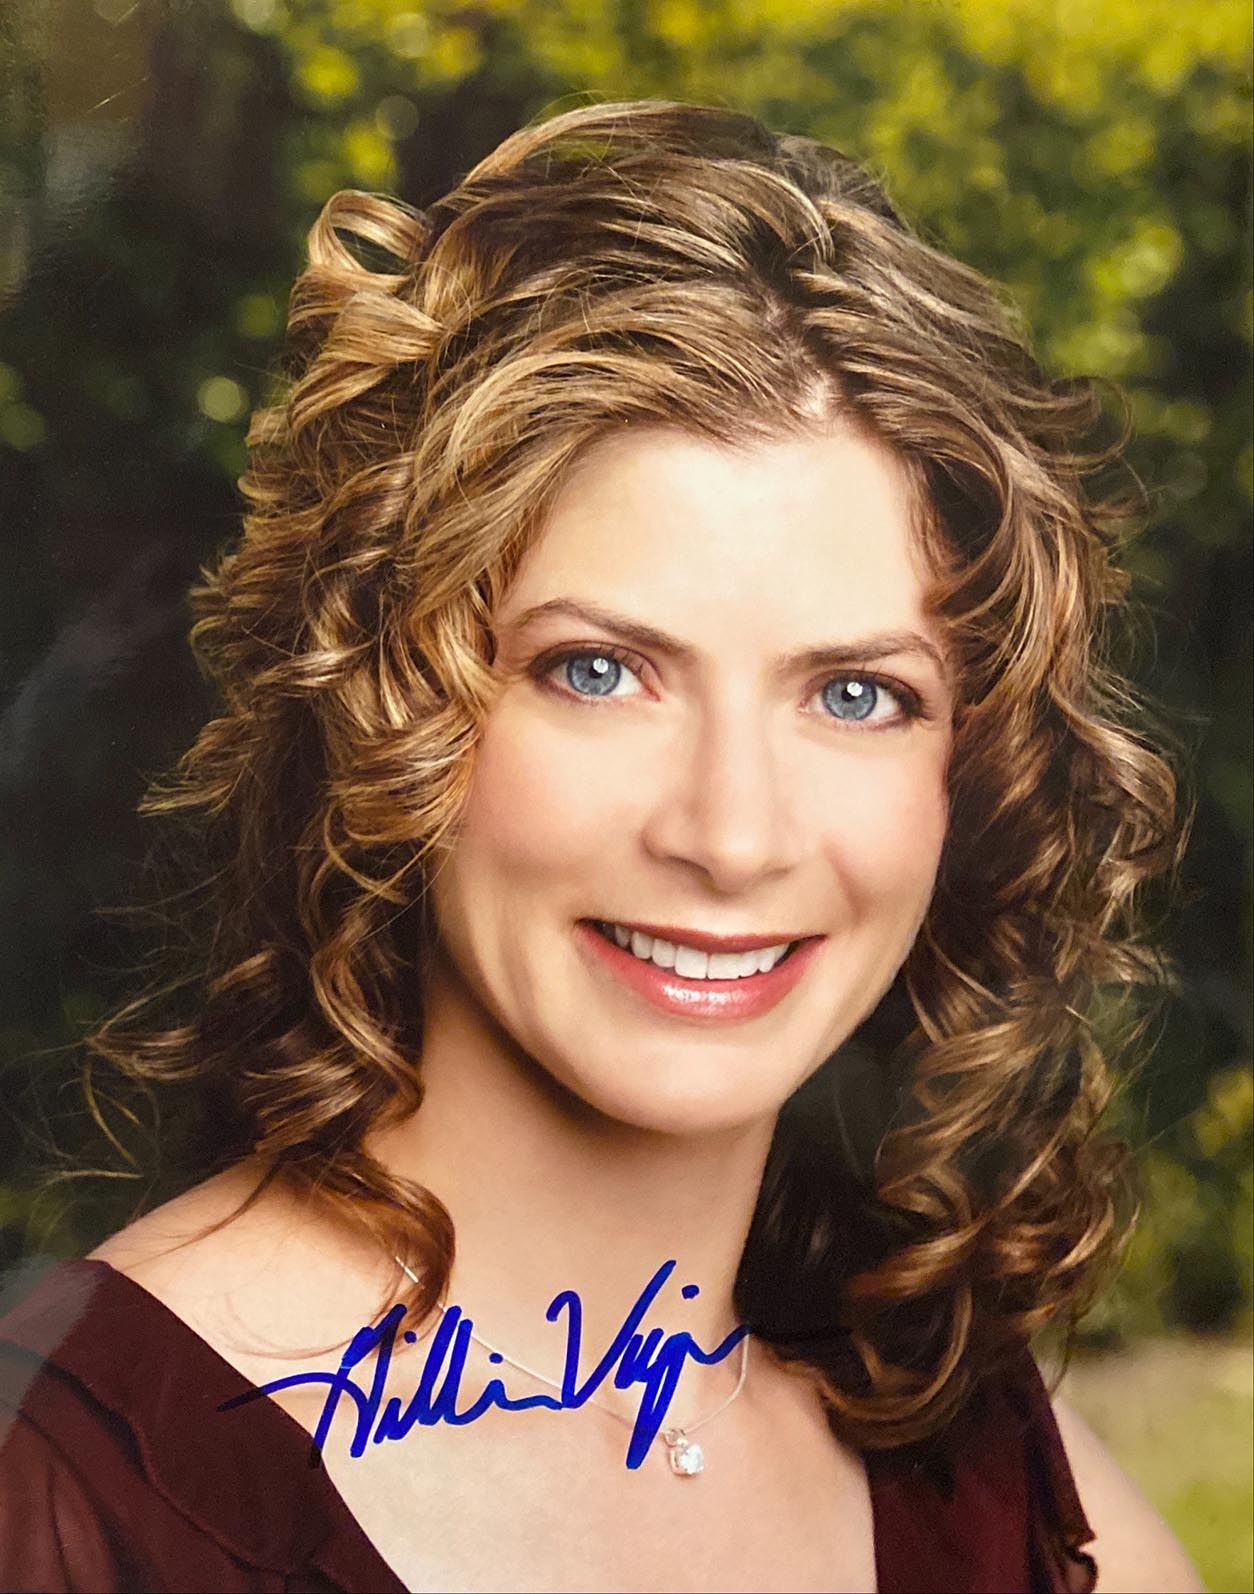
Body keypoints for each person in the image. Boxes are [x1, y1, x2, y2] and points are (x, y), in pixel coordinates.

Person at [0, 98, 1207, 1593]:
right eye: (597, 670)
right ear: (392, 702)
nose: (732, 834)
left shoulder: (1002, 1484)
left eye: (855, 694)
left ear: (972, 771)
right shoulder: (63, 1491)